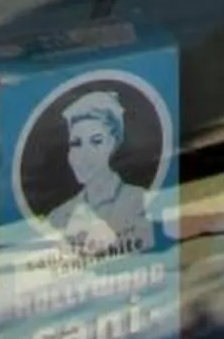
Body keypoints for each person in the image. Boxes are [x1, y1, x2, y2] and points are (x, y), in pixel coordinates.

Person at [43, 89, 151, 257]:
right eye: (76, 144)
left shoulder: (142, 202)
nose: (83, 156)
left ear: (112, 144)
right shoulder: (57, 217)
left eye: (96, 142)